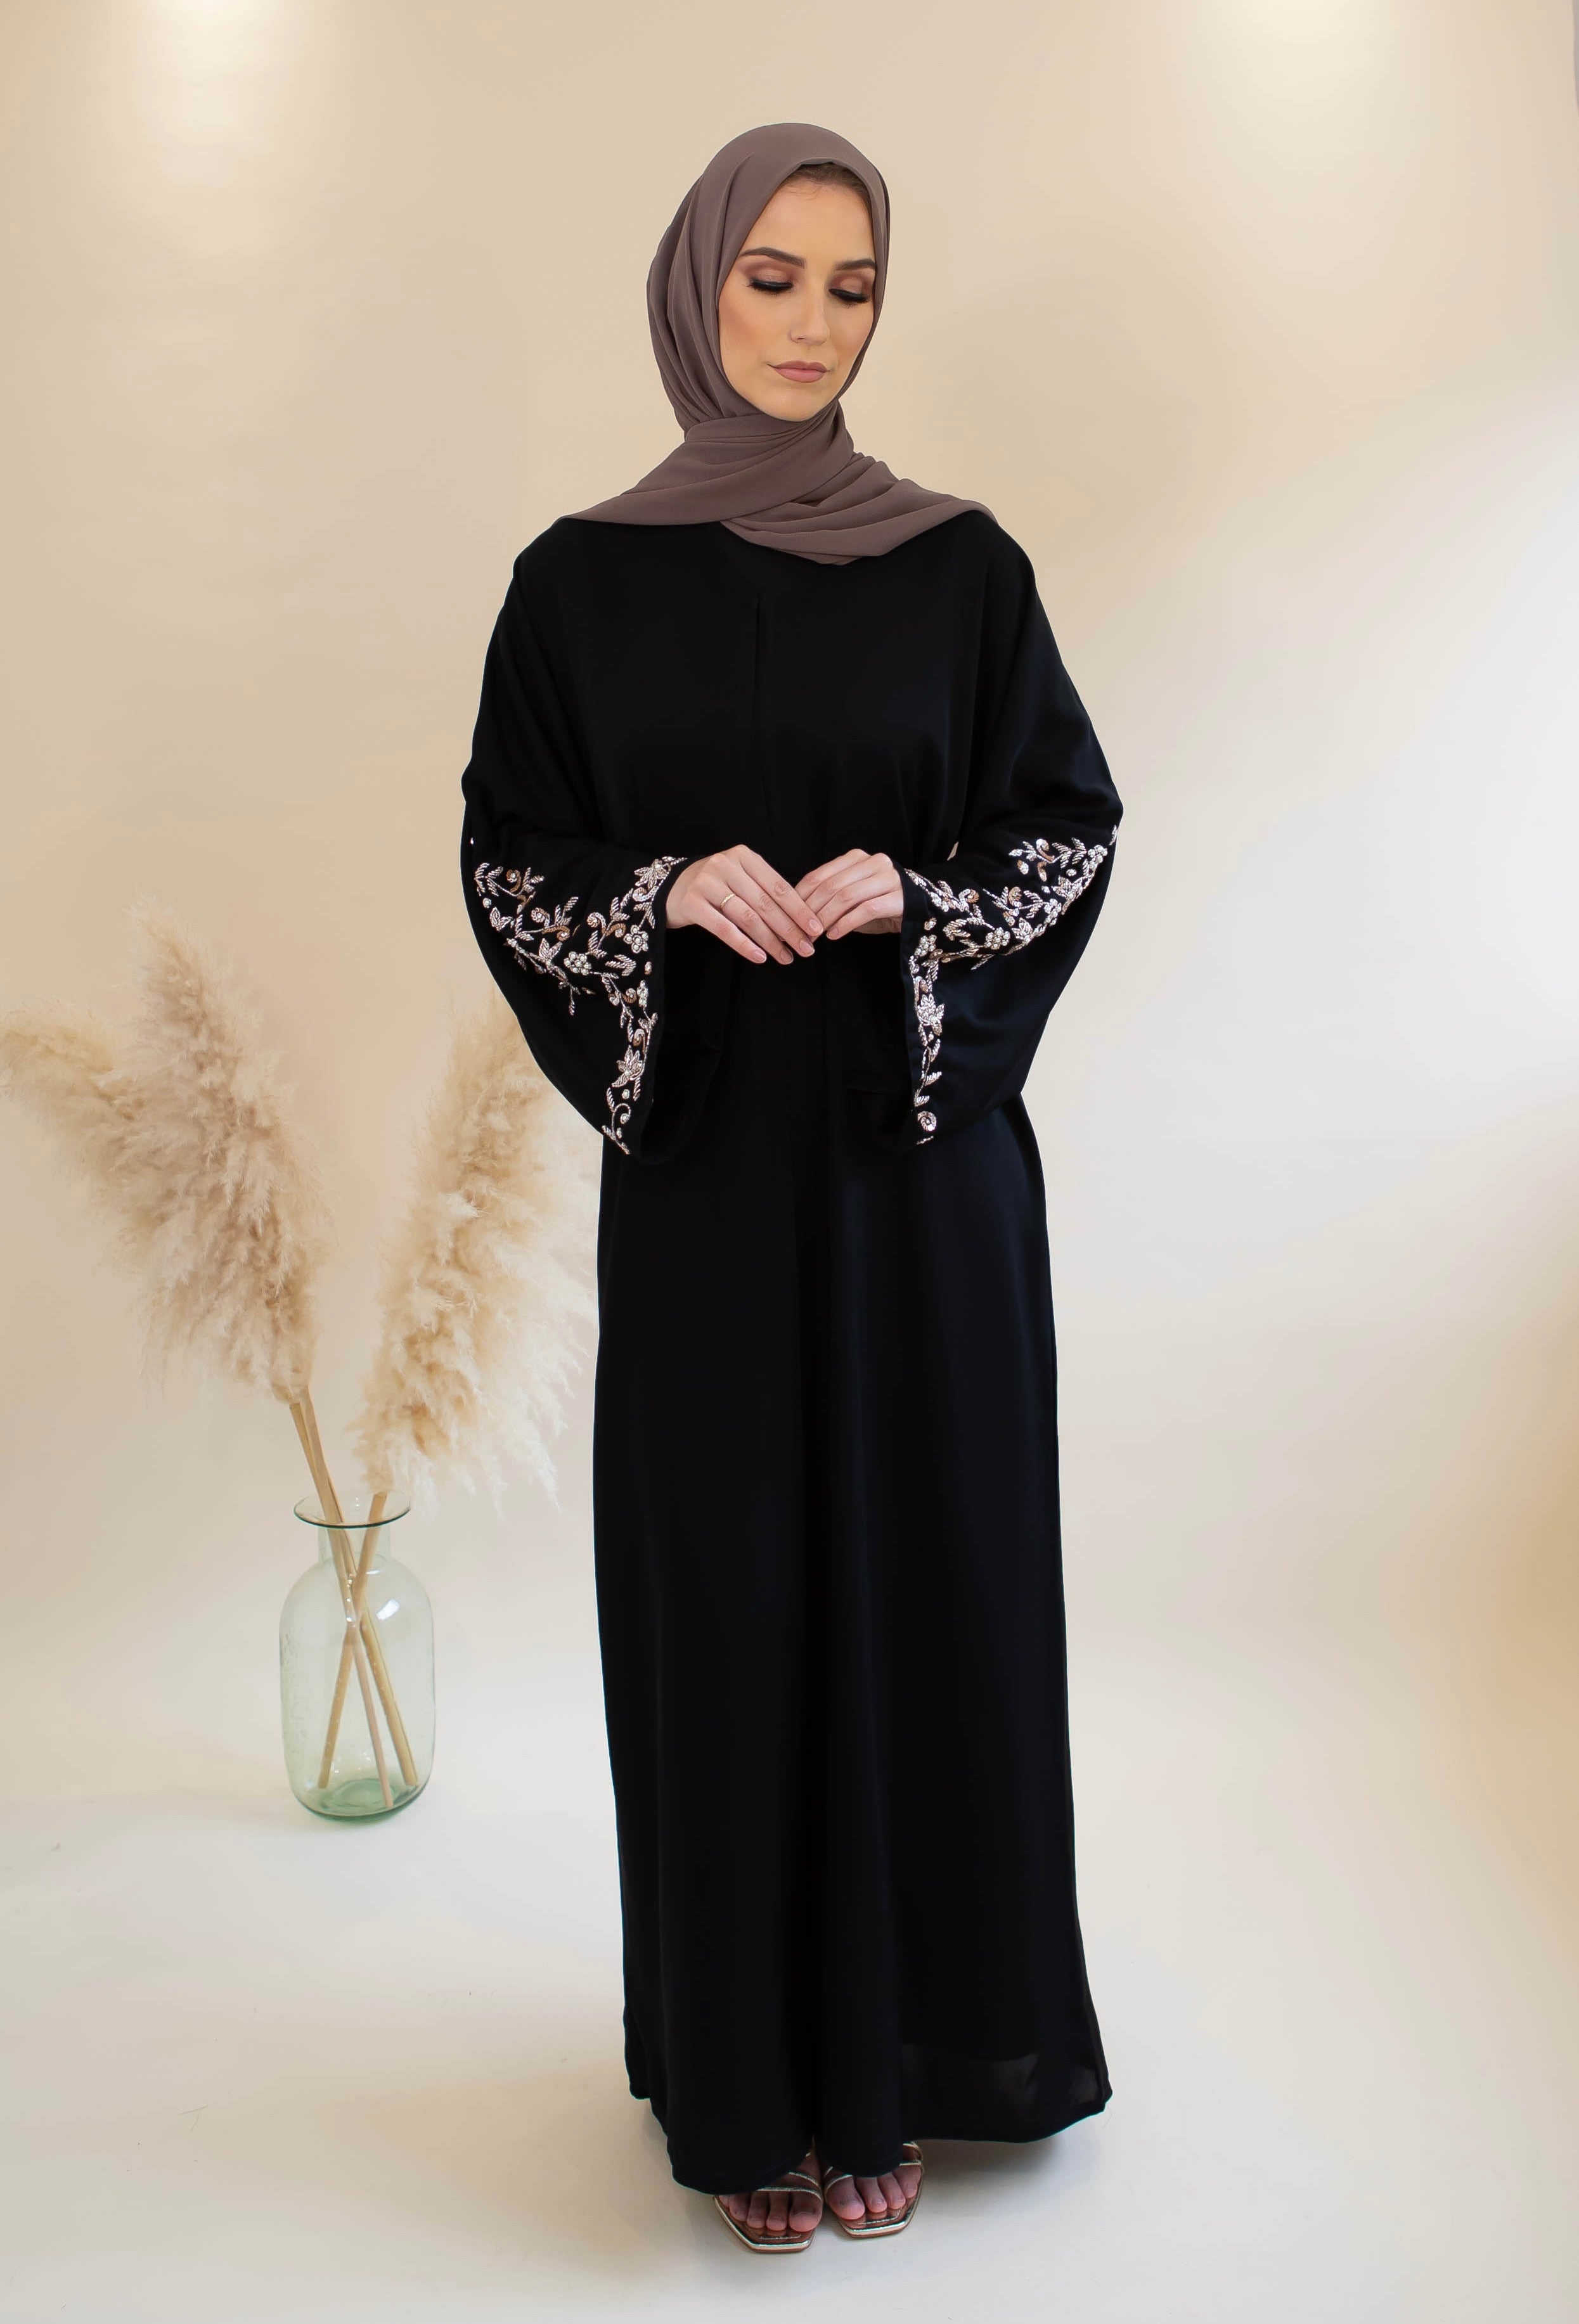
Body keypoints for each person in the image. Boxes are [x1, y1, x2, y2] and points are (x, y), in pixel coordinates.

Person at [460, 121, 1121, 2253]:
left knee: (929, 1579)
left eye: (851, 286)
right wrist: (660, 888)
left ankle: (910, 2057)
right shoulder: (578, 583)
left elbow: (1064, 831)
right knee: (728, 1595)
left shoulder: (961, 568)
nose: (811, 323)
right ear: (693, 285)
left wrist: (915, 900)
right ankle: (750, 2079)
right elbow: (509, 856)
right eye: (770, 277)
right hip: (712, 1190)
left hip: (917, 1179)